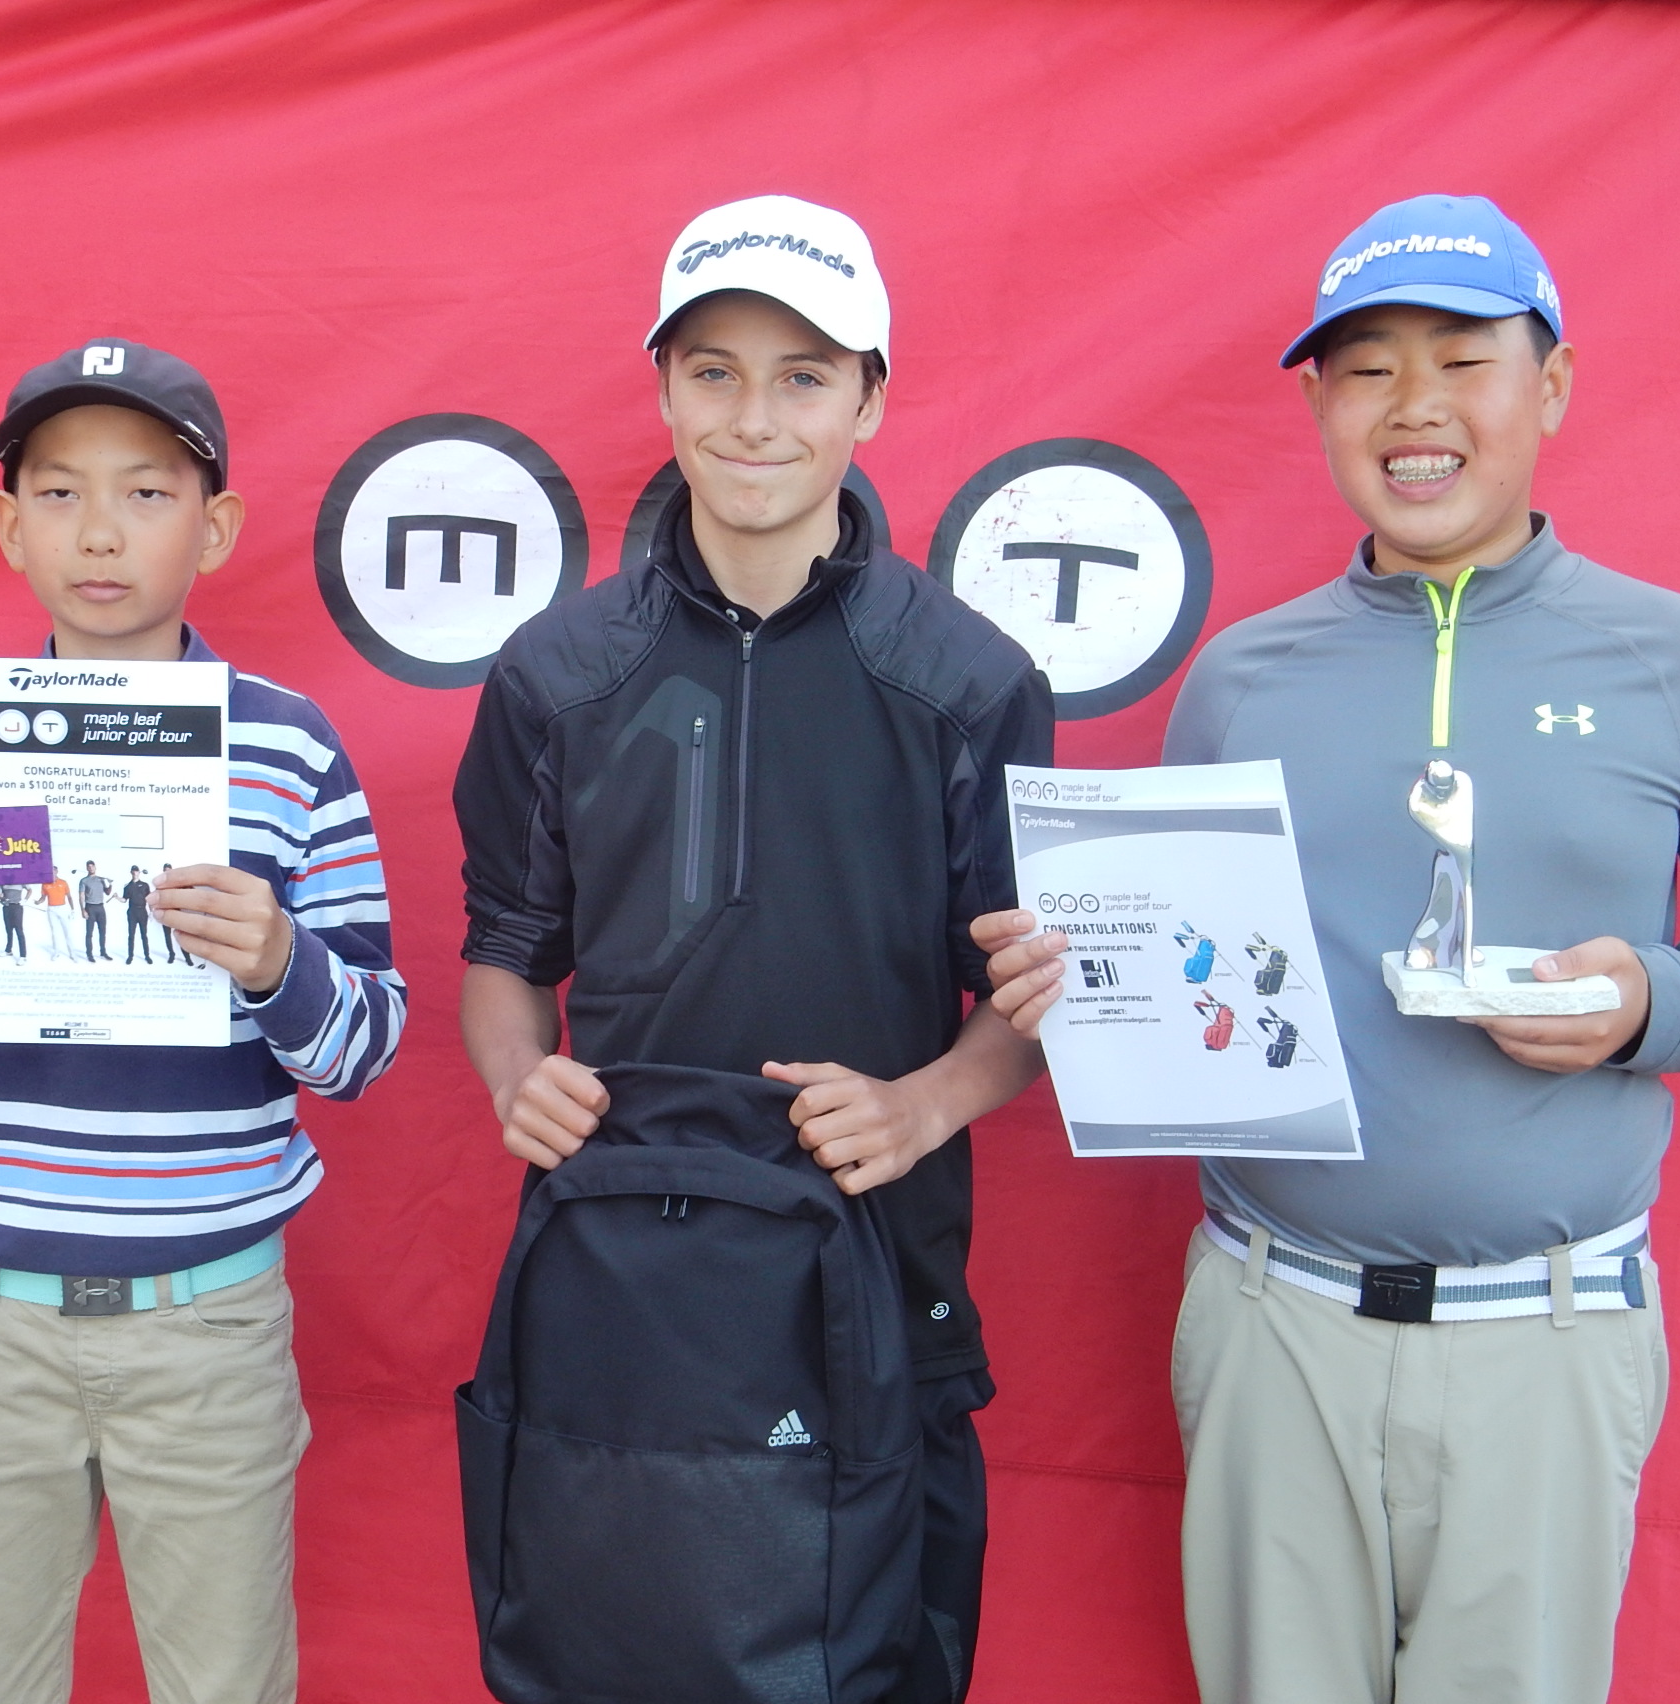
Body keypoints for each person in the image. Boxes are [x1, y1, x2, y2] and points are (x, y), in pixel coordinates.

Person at [976, 195, 1680, 1704]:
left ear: (1550, 386)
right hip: (1274, 1324)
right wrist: (1083, 985)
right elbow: (1195, 973)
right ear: (1320, 406)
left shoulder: (1672, 657)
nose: (1415, 406)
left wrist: (1649, 998)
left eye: (1461, 359)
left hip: (1548, 1335)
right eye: (1368, 368)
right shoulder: (1243, 676)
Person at [454, 195, 1053, 1702]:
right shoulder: (556, 673)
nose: (755, 417)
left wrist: (923, 1104)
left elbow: (1029, 995)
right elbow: (504, 950)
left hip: (874, 1270)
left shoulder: (969, 681)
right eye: (713, 372)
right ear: (662, 391)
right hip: (622, 1282)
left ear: (869, 399)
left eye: (803, 376)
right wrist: (519, 1077)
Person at [0, 337, 406, 1704]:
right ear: (8, 527)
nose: (101, 531)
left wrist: (279, 960)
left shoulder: (289, 749)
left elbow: (367, 1046)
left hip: (205, 1325)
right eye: (60, 491)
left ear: (217, 528)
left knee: (227, 1684)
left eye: (147, 493)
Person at [159, 862, 196, 966]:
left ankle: (187, 957)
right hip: (165, 912)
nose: (168, 874)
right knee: (167, 936)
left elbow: (190, 889)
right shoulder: (161, 884)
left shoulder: (178, 883)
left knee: (181, 935)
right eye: (166, 871)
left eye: (169, 871)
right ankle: (171, 954)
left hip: (178, 913)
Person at [38, 872, 76, 962]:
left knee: (67, 931)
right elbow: (43, 897)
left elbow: (69, 897)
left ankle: (72, 953)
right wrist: (38, 902)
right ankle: (56, 952)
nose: (52, 873)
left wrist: (72, 909)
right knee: (55, 932)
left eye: (54, 871)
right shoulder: (45, 884)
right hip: (51, 909)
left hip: (62, 908)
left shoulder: (63, 882)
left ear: (57, 872)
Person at [79, 860, 112, 960]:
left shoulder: (101, 879)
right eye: (89, 867)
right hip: (90, 908)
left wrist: (110, 884)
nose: (91, 868)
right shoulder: (84, 881)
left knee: (102, 932)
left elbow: (107, 893)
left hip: (100, 907)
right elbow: (81, 896)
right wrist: (83, 910)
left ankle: (103, 952)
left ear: (95, 867)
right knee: (89, 933)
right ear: (87, 868)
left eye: (92, 866)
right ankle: (89, 954)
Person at [122, 865, 153, 964]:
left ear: (139, 872)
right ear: (131, 872)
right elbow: (124, 900)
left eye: (136, 871)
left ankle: (147, 956)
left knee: (144, 935)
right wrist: (117, 897)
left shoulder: (145, 885)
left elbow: (149, 899)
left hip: (142, 911)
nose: (135, 873)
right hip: (132, 912)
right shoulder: (127, 886)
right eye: (133, 871)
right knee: (131, 935)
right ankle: (130, 956)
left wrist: (151, 912)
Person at [0, 883, 29, 960]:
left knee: (19, 931)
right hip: (6, 907)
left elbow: (30, 890)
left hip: (17, 907)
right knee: (8, 930)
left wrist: (25, 900)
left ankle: (23, 956)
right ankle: (8, 950)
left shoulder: (20, 880)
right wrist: (2, 898)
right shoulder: (2, 881)